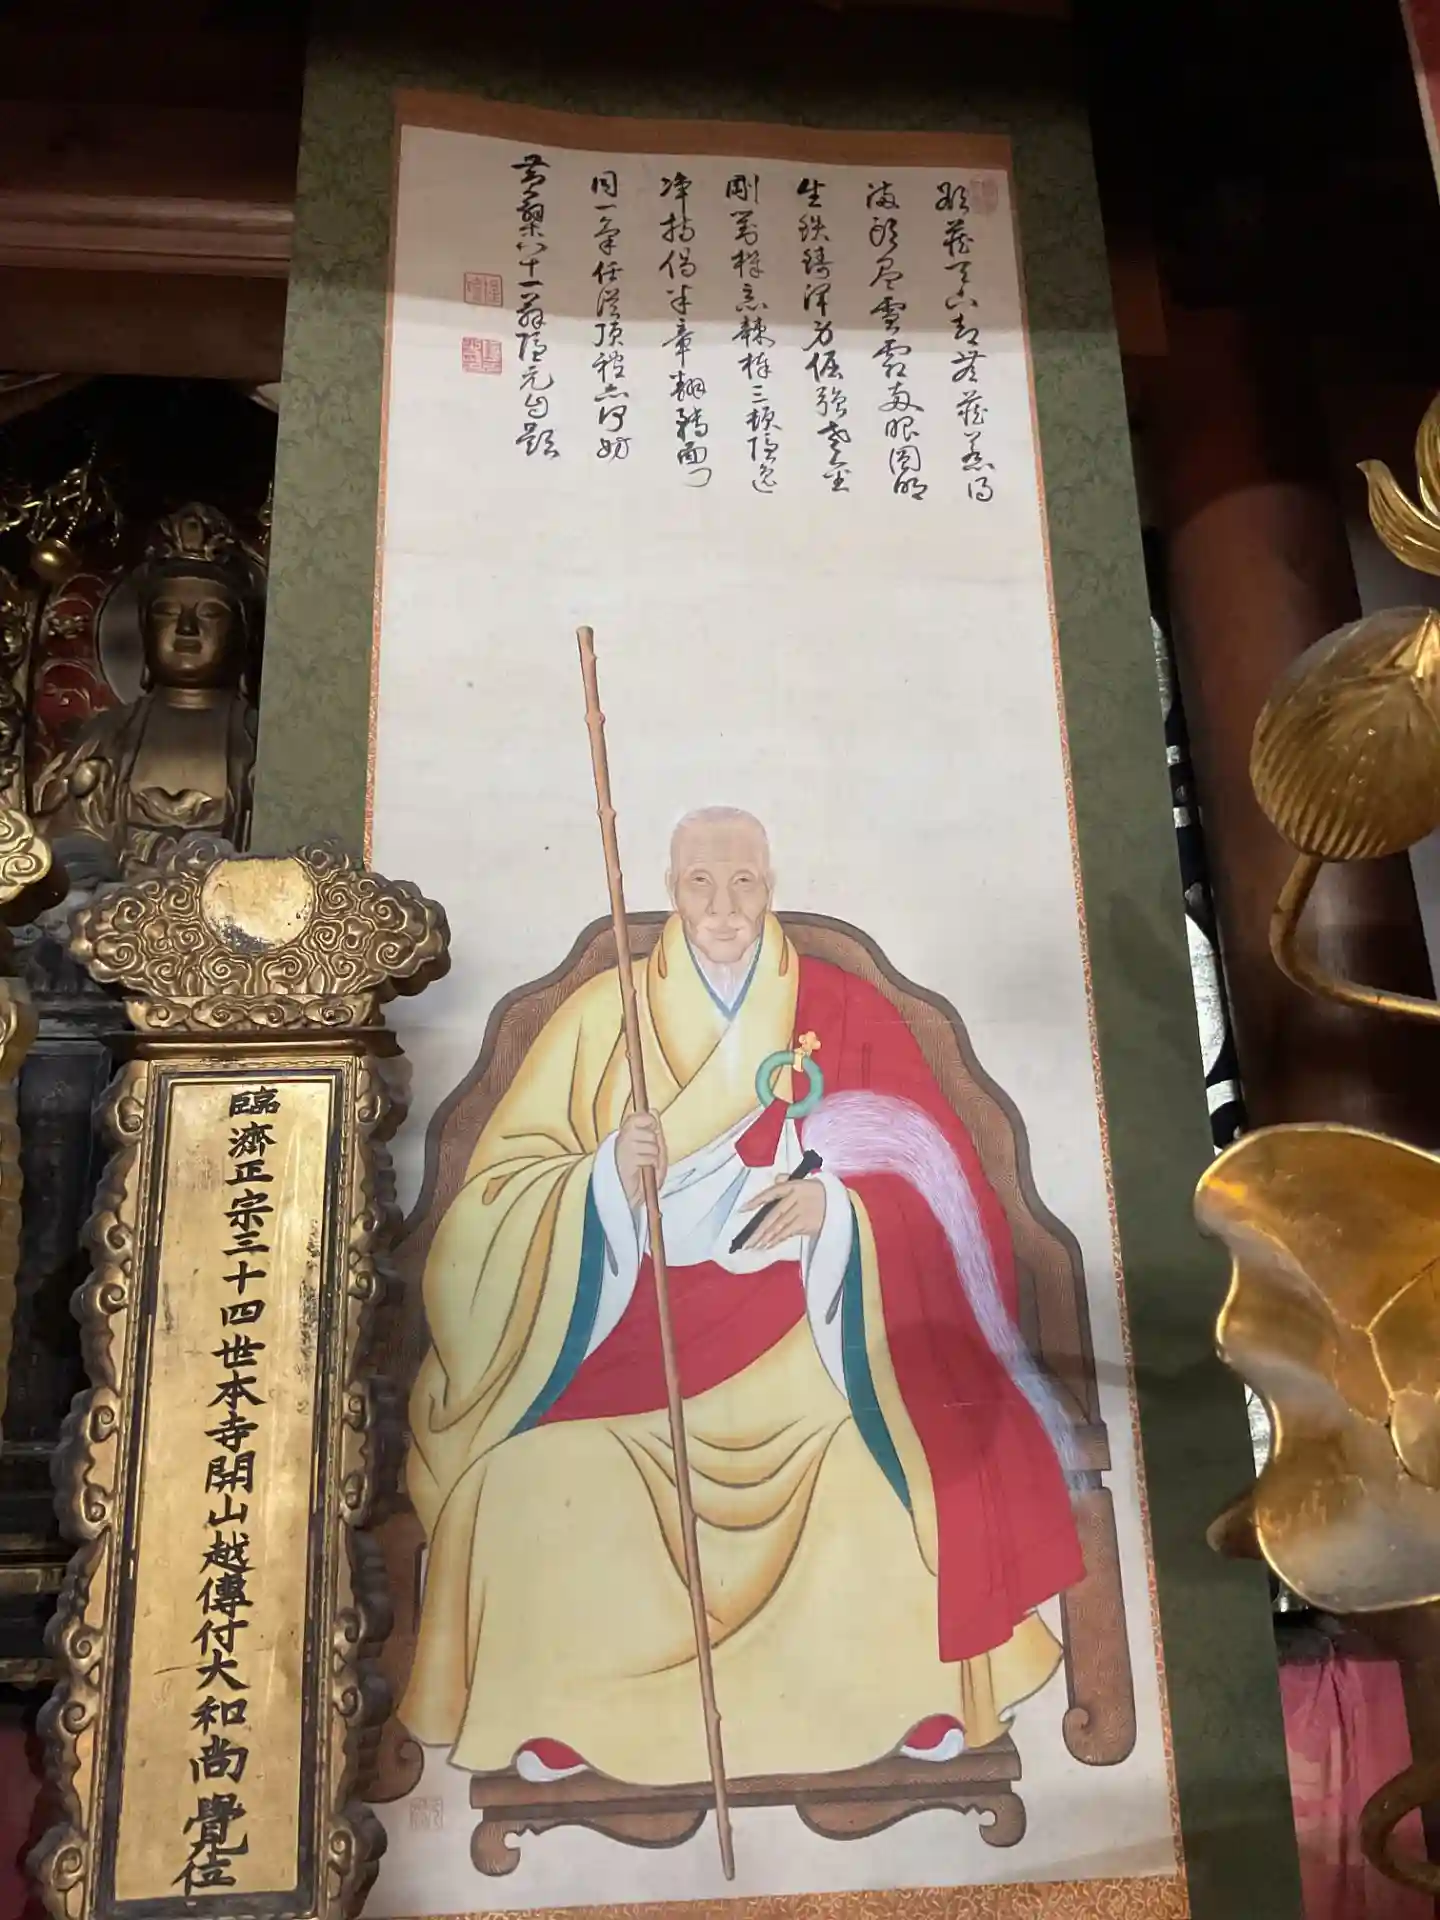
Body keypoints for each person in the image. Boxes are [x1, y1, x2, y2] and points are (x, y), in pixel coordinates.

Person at [404, 806, 1084, 1786]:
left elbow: (942, 1188)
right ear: (669, 891)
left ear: (771, 887)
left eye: (744, 884)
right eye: (700, 884)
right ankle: (563, 1712)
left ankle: (909, 1697)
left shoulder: (842, 1009)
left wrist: (835, 1210)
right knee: (525, 1485)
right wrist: (598, 1180)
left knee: (873, 1474)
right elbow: (492, 1206)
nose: (723, 907)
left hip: (814, 1352)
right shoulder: (600, 1018)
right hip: (633, 1350)